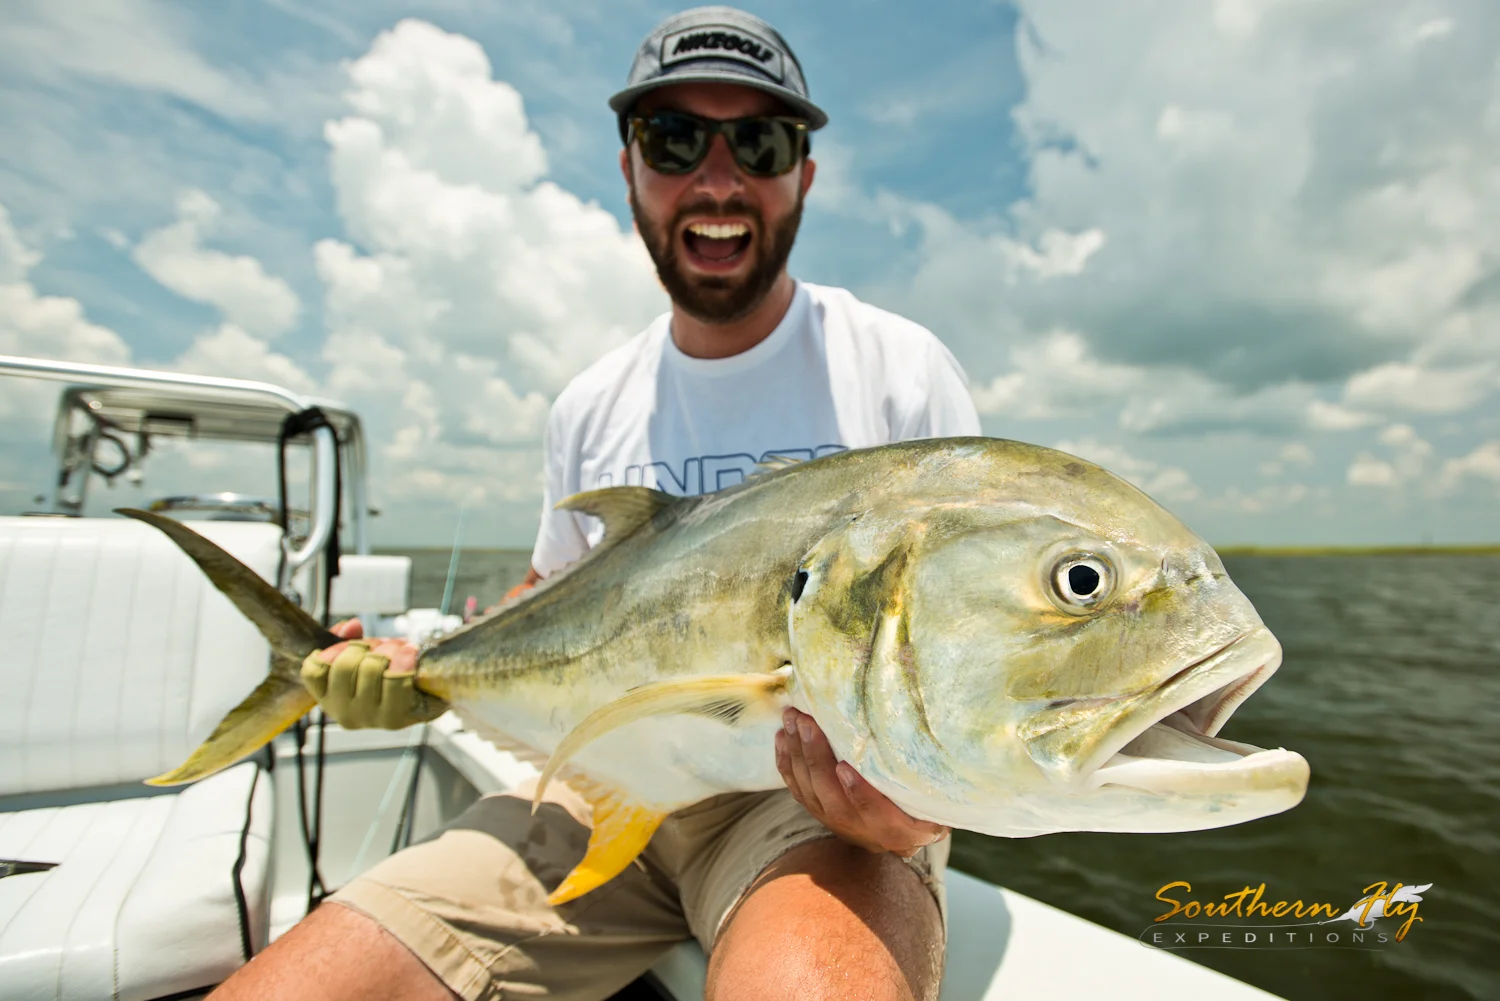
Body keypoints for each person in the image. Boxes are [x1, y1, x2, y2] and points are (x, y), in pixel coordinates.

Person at [216, 7, 980, 1000]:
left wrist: (929, 799)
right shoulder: (589, 403)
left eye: (759, 142)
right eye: (674, 139)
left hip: (814, 803)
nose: (717, 179)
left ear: (804, 172)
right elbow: (552, 594)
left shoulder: (898, 370)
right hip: (595, 780)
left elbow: (956, 635)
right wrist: (421, 665)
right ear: (629, 169)